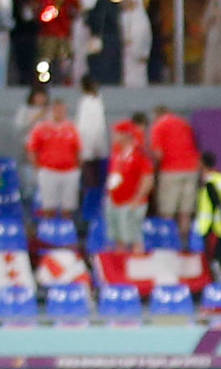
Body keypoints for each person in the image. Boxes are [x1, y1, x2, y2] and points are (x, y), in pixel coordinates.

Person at [26, 95, 80, 218]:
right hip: (48, 171)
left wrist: (76, 168)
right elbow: (31, 149)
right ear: (52, 111)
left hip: (69, 171)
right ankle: (48, 233)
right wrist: (37, 168)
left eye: (62, 110)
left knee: (68, 208)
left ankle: (66, 234)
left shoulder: (72, 128)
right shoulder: (41, 128)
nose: (59, 113)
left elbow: (78, 150)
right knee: (48, 207)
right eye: (57, 110)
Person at [149, 103, 198, 237]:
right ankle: (184, 242)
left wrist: (153, 171)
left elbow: (158, 154)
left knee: (167, 210)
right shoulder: (184, 123)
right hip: (191, 169)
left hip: (171, 170)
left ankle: (168, 240)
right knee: (185, 210)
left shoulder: (158, 126)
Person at [103, 113, 149, 251]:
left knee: (135, 238)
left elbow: (147, 179)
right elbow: (114, 176)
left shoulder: (139, 154)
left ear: (126, 135)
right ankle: (121, 269)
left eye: (117, 133)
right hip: (116, 202)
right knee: (119, 238)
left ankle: (137, 269)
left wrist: (137, 199)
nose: (114, 136)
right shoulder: (117, 153)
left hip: (131, 203)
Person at [197, 147, 221, 278]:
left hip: (214, 229)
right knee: (219, 257)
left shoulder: (210, 183)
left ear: (201, 163)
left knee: (215, 260)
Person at [75, 73, 106, 203]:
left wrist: (83, 151)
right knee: (93, 182)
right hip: (95, 148)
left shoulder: (88, 102)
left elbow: (85, 128)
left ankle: (90, 214)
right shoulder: (97, 101)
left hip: (88, 149)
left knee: (91, 184)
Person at [118, 0, 150, 83]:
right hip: (124, 56)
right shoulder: (123, 16)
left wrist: (143, 52)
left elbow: (145, 37)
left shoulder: (140, 17)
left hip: (137, 57)